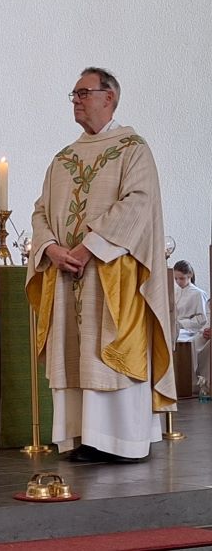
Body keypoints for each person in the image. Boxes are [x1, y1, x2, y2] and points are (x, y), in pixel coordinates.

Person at [26, 67, 175, 463]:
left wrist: (90, 247)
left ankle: (119, 441)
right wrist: (53, 249)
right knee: (76, 353)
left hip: (113, 274)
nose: (75, 100)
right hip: (66, 272)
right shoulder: (63, 159)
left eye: (83, 93)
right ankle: (81, 436)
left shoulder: (132, 148)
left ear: (109, 98)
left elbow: (138, 203)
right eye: (73, 94)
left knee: (108, 349)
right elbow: (40, 211)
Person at [172, 260, 209, 339]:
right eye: (176, 278)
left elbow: (202, 319)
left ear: (190, 275)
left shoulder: (199, 294)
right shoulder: (175, 292)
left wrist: (180, 323)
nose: (178, 282)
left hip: (189, 334)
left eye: (181, 278)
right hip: (175, 332)